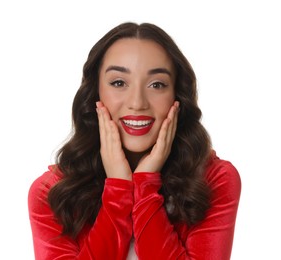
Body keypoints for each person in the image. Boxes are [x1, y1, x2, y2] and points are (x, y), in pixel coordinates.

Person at [28, 22, 241, 260]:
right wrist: (118, 188)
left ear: (176, 96)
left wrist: (146, 185)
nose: (138, 103)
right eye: (119, 83)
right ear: (95, 94)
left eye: (157, 85)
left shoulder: (215, 180)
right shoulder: (51, 193)